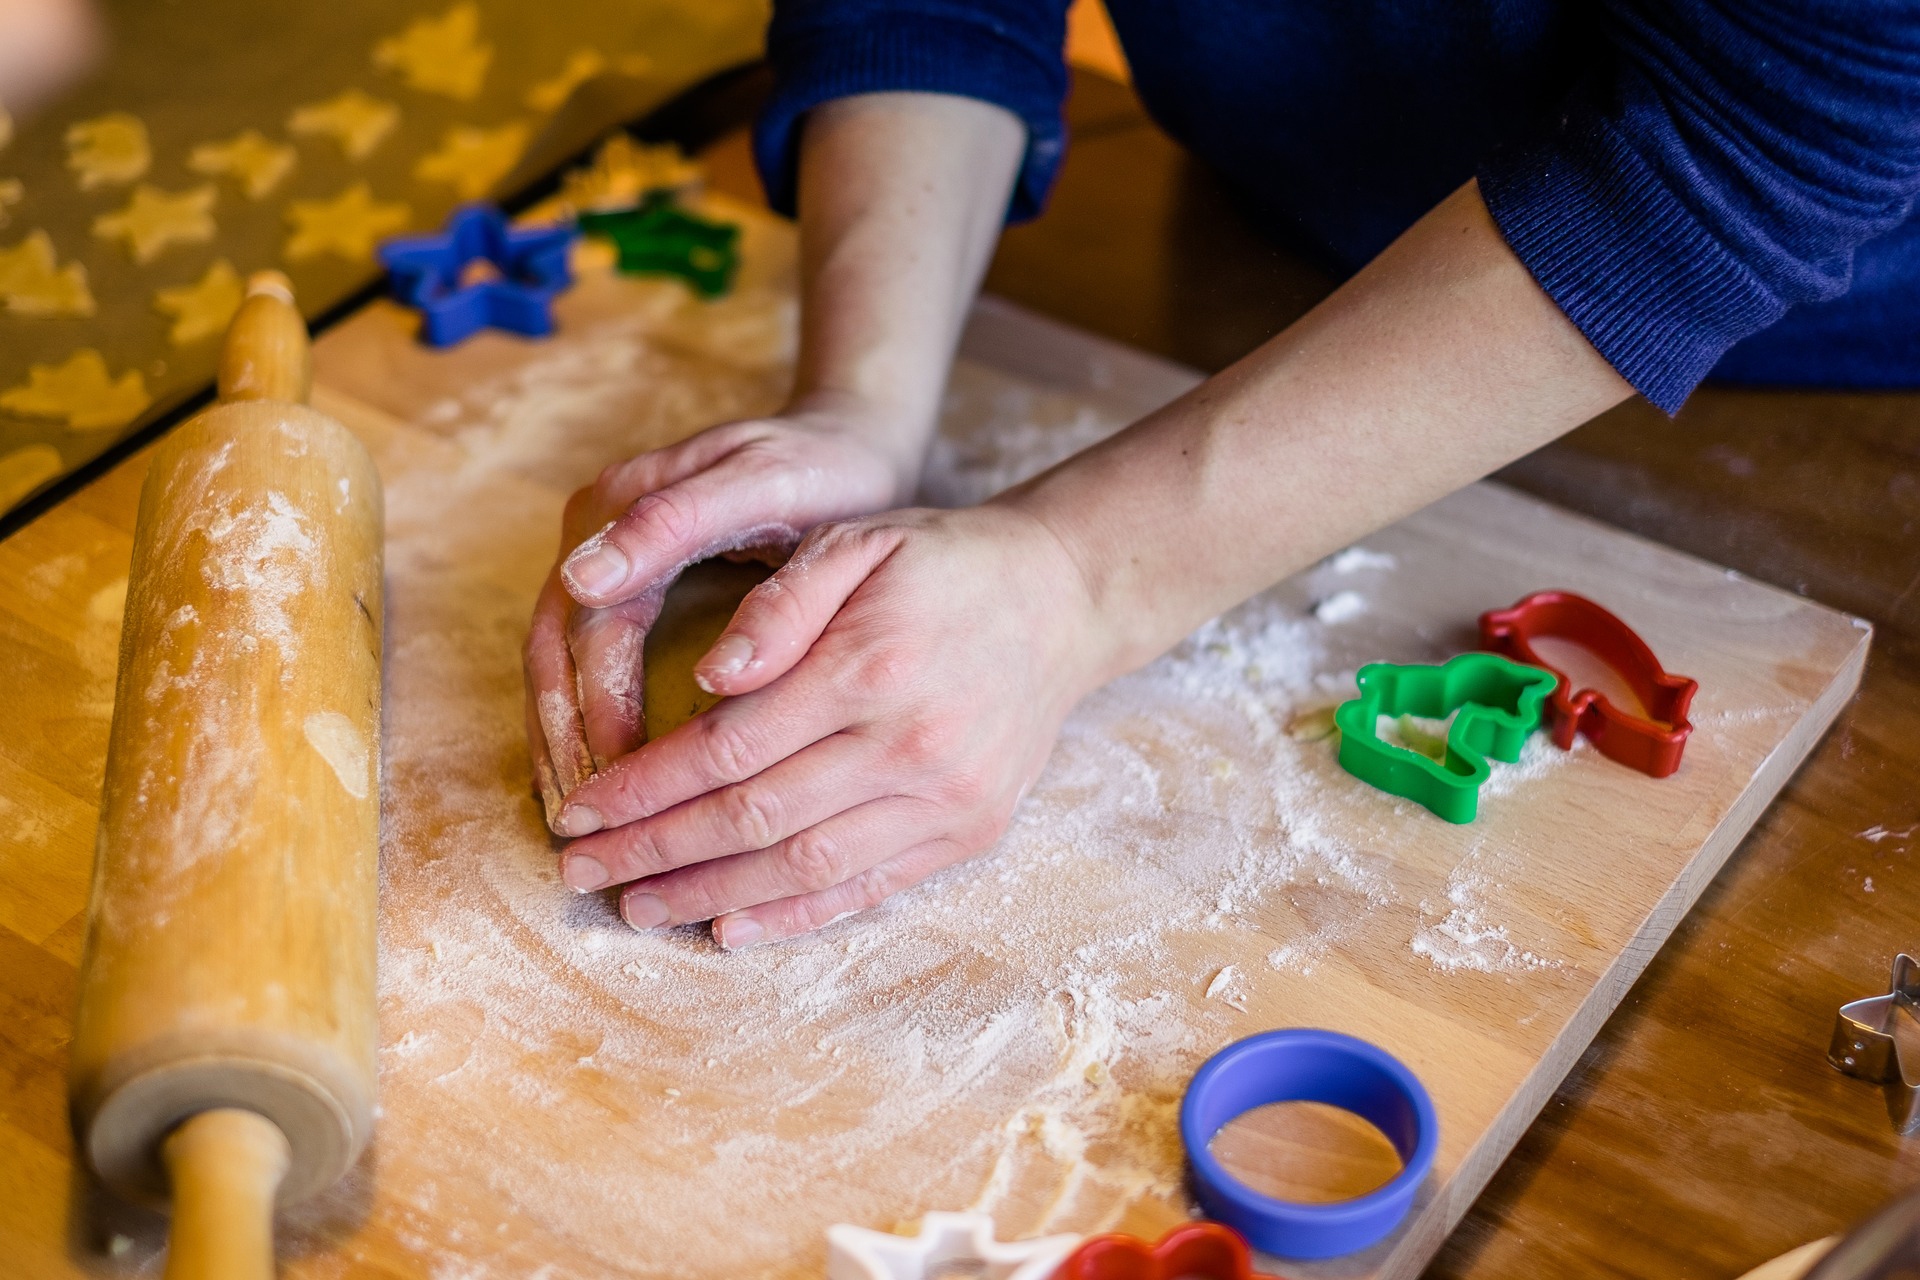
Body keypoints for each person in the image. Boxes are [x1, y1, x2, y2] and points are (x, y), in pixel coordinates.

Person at [525, 1, 1920, 948]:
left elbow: (1742, 149)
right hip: (1266, 219)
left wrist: (1081, 577)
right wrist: (859, 397)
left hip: (1806, 365)